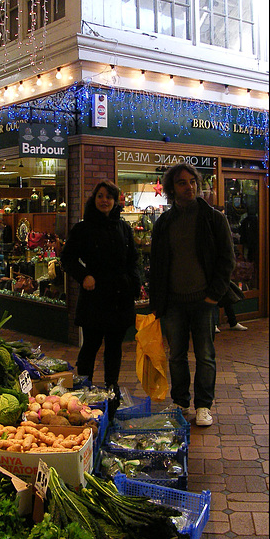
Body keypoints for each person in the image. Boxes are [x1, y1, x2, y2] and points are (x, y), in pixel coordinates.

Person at [149, 163, 235, 426]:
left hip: (203, 301)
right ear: (171, 189)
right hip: (174, 301)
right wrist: (157, 304)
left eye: (192, 182)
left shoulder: (213, 218)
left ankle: (203, 406)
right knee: (176, 355)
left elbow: (227, 260)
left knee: (205, 354)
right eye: (182, 183)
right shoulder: (164, 223)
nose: (189, 187)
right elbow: (158, 265)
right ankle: (180, 402)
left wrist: (214, 295)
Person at [60, 179, 141, 400]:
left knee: (115, 346)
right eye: (100, 196)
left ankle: (111, 388)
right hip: (95, 296)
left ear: (115, 201)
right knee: (91, 344)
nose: (104, 200)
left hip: (120, 296)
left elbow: (133, 259)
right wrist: (83, 275)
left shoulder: (123, 227)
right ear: (94, 199)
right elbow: (67, 258)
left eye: (109, 197)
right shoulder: (83, 228)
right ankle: (84, 386)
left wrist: (136, 284)